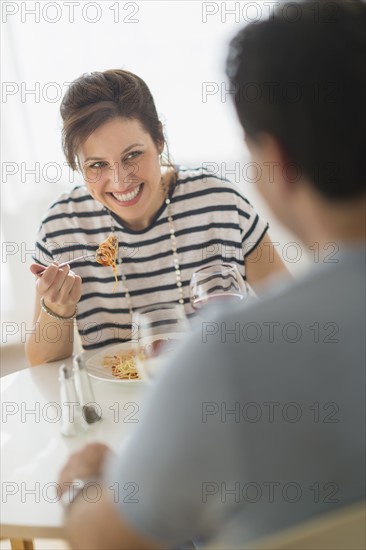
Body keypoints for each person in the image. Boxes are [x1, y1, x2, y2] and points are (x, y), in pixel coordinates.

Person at [58, 1, 365, 548]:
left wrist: (81, 482)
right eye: (97, 166)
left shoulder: (228, 354)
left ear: (276, 160)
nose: (121, 178)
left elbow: (105, 538)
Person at [25, 69, 287, 366]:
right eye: (97, 164)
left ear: (159, 139)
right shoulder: (62, 228)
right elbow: (43, 365)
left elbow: (292, 315)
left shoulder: (219, 202)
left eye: (132, 155)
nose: (120, 180)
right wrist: (58, 306)